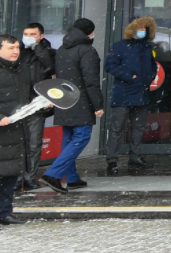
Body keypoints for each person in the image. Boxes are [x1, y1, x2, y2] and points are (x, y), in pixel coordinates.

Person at [43, 19, 103, 193]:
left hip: (65, 99)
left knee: (68, 137)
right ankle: (53, 174)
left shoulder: (62, 49)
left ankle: (72, 178)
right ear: (89, 32)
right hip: (81, 100)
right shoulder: (87, 51)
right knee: (82, 137)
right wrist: (98, 104)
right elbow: (91, 81)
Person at [103, 16, 158, 174]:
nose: (142, 31)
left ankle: (135, 156)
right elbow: (110, 65)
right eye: (139, 29)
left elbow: (152, 65)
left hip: (141, 92)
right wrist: (129, 77)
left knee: (138, 128)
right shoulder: (120, 46)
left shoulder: (147, 47)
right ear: (132, 30)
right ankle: (112, 160)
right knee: (117, 128)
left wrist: (150, 77)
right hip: (123, 93)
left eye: (144, 29)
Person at [17, 22, 55, 195]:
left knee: (34, 141)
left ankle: (30, 176)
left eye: (33, 34)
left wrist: (37, 49)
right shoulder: (18, 51)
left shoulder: (48, 52)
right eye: (26, 34)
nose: (28, 37)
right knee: (19, 142)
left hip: (37, 103)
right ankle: (17, 177)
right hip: (18, 103)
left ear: (41, 36)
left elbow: (50, 67)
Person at [0, 34, 33, 224]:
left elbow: (28, 96)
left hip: (16, 130)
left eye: (17, 48)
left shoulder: (22, 69)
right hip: (2, 127)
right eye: (10, 48)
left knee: (10, 173)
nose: (15, 51)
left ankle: (4, 212)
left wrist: (41, 104)